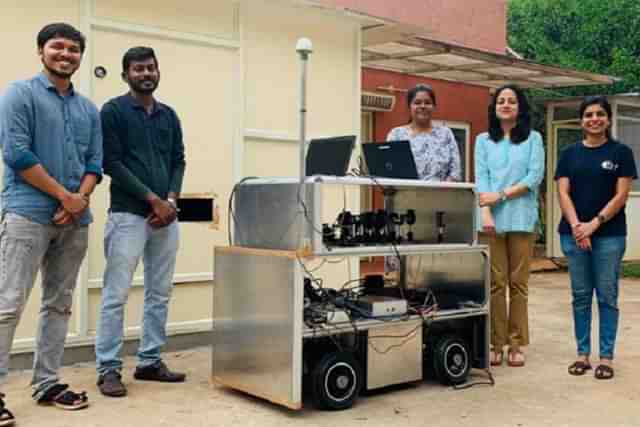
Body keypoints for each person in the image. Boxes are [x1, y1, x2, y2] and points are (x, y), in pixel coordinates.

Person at [0, 22, 102, 420]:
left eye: (74, 49)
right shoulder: (19, 94)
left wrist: (80, 200)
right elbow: (17, 154)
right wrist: (66, 197)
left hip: (75, 220)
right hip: (27, 213)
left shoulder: (87, 109)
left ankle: (46, 383)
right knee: (8, 304)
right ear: (41, 51)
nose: (66, 54)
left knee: (59, 305)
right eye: (57, 47)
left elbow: (95, 162)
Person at [95, 47, 186, 397]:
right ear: (126, 75)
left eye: (150, 68)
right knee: (116, 294)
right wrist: (153, 200)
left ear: (157, 72)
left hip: (166, 218)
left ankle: (149, 361)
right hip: (128, 215)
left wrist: (172, 202)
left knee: (159, 293)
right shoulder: (114, 112)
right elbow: (111, 163)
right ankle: (108, 369)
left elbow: (179, 160)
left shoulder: (169, 115)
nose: (145, 73)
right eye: (138, 69)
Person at [555, 96, 636, 380]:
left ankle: (606, 357)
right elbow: (563, 193)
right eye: (588, 114)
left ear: (608, 119)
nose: (594, 119)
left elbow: (621, 195)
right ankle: (582, 355)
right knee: (580, 296)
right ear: (581, 121)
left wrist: (594, 225)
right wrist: (578, 226)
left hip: (609, 236)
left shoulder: (621, 153)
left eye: (600, 114)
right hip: (573, 234)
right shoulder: (569, 154)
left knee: (607, 296)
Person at [475, 84, 544, 368]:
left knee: (518, 285)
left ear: (520, 107)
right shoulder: (483, 140)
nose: (506, 104)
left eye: (511, 101)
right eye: (501, 101)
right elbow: (482, 177)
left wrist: (501, 195)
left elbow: (534, 177)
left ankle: (516, 344)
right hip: (491, 221)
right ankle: (495, 342)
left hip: (522, 219)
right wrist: (487, 212)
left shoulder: (533, 139)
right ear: (494, 108)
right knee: (494, 284)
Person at [386, 84, 462, 182]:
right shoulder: (396, 135)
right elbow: (388, 169)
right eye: (417, 103)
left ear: (434, 106)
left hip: (440, 194)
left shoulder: (445, 134)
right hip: (404, 194)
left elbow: (455, 171)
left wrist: (441, 190)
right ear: (409, 107)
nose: (422, 106)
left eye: (427, 103)